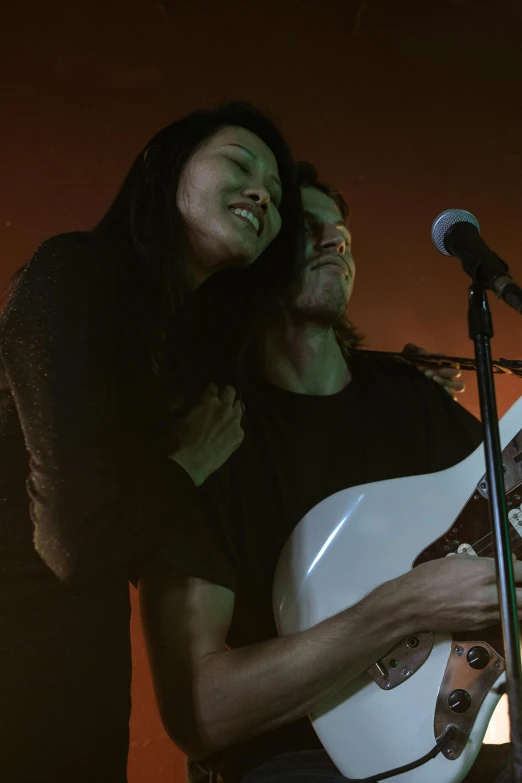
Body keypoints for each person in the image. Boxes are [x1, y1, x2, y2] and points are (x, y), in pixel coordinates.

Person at [139, 163, 513, 783]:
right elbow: (197, 715)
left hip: (455, 744)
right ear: (249, 257)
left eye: (340, 230)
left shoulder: (412, 400)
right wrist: (400, 608)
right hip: (291, 760)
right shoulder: (208, 437)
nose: (335, 239)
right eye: (306, 228)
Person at [0, 102, 304, 783]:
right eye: (239, 163)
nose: (263, 192)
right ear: (165, 169)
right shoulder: (74, 272)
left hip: (82, 682)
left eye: (277, 194)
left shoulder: (172, 353)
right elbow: (73, 541)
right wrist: (186, 462)